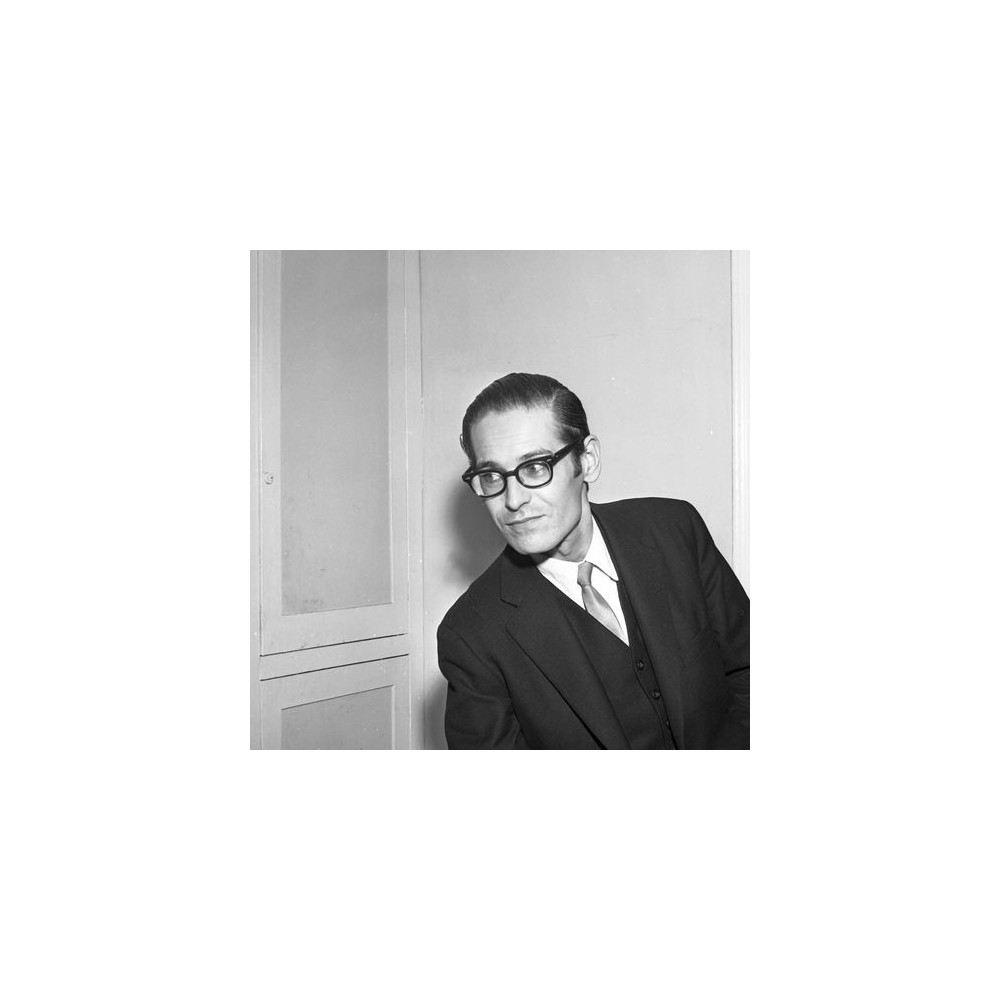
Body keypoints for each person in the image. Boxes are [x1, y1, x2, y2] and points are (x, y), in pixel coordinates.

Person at [437, 372, 750, 750]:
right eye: (491, 476)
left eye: (535, 467)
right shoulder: (470, 633)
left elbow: (749, 671)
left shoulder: (675, 529)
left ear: (587, 461)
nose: (513, 500)